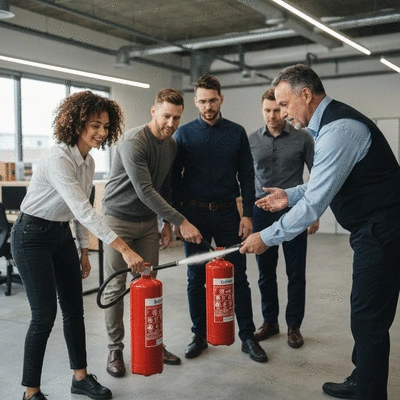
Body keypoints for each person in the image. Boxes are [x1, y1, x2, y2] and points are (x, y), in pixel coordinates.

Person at [240, 64, 400, 400]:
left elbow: (314, 205)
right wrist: (288, 194)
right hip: (374, 229)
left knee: (368, 319)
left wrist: (265, 238)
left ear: (306, 95)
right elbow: (323, 181)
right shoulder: (330, 128)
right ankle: (362, 377)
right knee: (365, 313)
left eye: (284, 105)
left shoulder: (339, 131)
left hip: (383, 230)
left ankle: (370, 392)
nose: (282, 114)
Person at [10, 91, 145, 400]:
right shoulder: (58, 157)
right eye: (94, 125)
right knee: (43, 315)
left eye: (106, 126)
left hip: (60, 236)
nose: (101, 133)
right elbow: (83, 210)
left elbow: (78, 210)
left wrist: (84, 250)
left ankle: (80, 379)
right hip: (31, 236)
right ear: (76, 123)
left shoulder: (88, 161)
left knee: (74, 310)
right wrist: (124, 248)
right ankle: (31, 392)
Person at [102, 88, 202, 378]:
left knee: (148, 286)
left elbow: (165, 187)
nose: (171, 123)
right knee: (116, 286)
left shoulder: (170, 145)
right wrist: (182, 220)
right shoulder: (134, 141)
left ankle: (151, 345)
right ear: (153, 111)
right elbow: (145, 190)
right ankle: (115, 349)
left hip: (148, 223)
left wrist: (167, 225)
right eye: (166, 115)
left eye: (177, 118)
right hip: (118, 220)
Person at [171, 75, 268, 363]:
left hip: (228, 214)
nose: (208, 106)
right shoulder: (185, 134)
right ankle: (199, 335)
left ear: (221, 98)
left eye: (212, 100)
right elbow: (175, 179)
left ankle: (248, 336)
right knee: (195, 278)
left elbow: (248, 177)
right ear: (195, 101)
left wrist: (248, 215)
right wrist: (179, 218)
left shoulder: (236, 133)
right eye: (202, 101)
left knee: (239, 277)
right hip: (195, 215)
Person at [248, 87, 319, 349]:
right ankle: (270, 322)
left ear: (283, 108)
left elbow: (316, 177)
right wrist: (244, 215)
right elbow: (245, 179)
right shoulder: (252, 139)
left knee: (295, 272)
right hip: (261, 211)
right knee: (265, 272)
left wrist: (314, 214)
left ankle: (294, 326)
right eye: (267, 110)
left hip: (295, 210)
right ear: (262, 110)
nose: (272, 115)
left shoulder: (303, 139)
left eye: (277, 109)